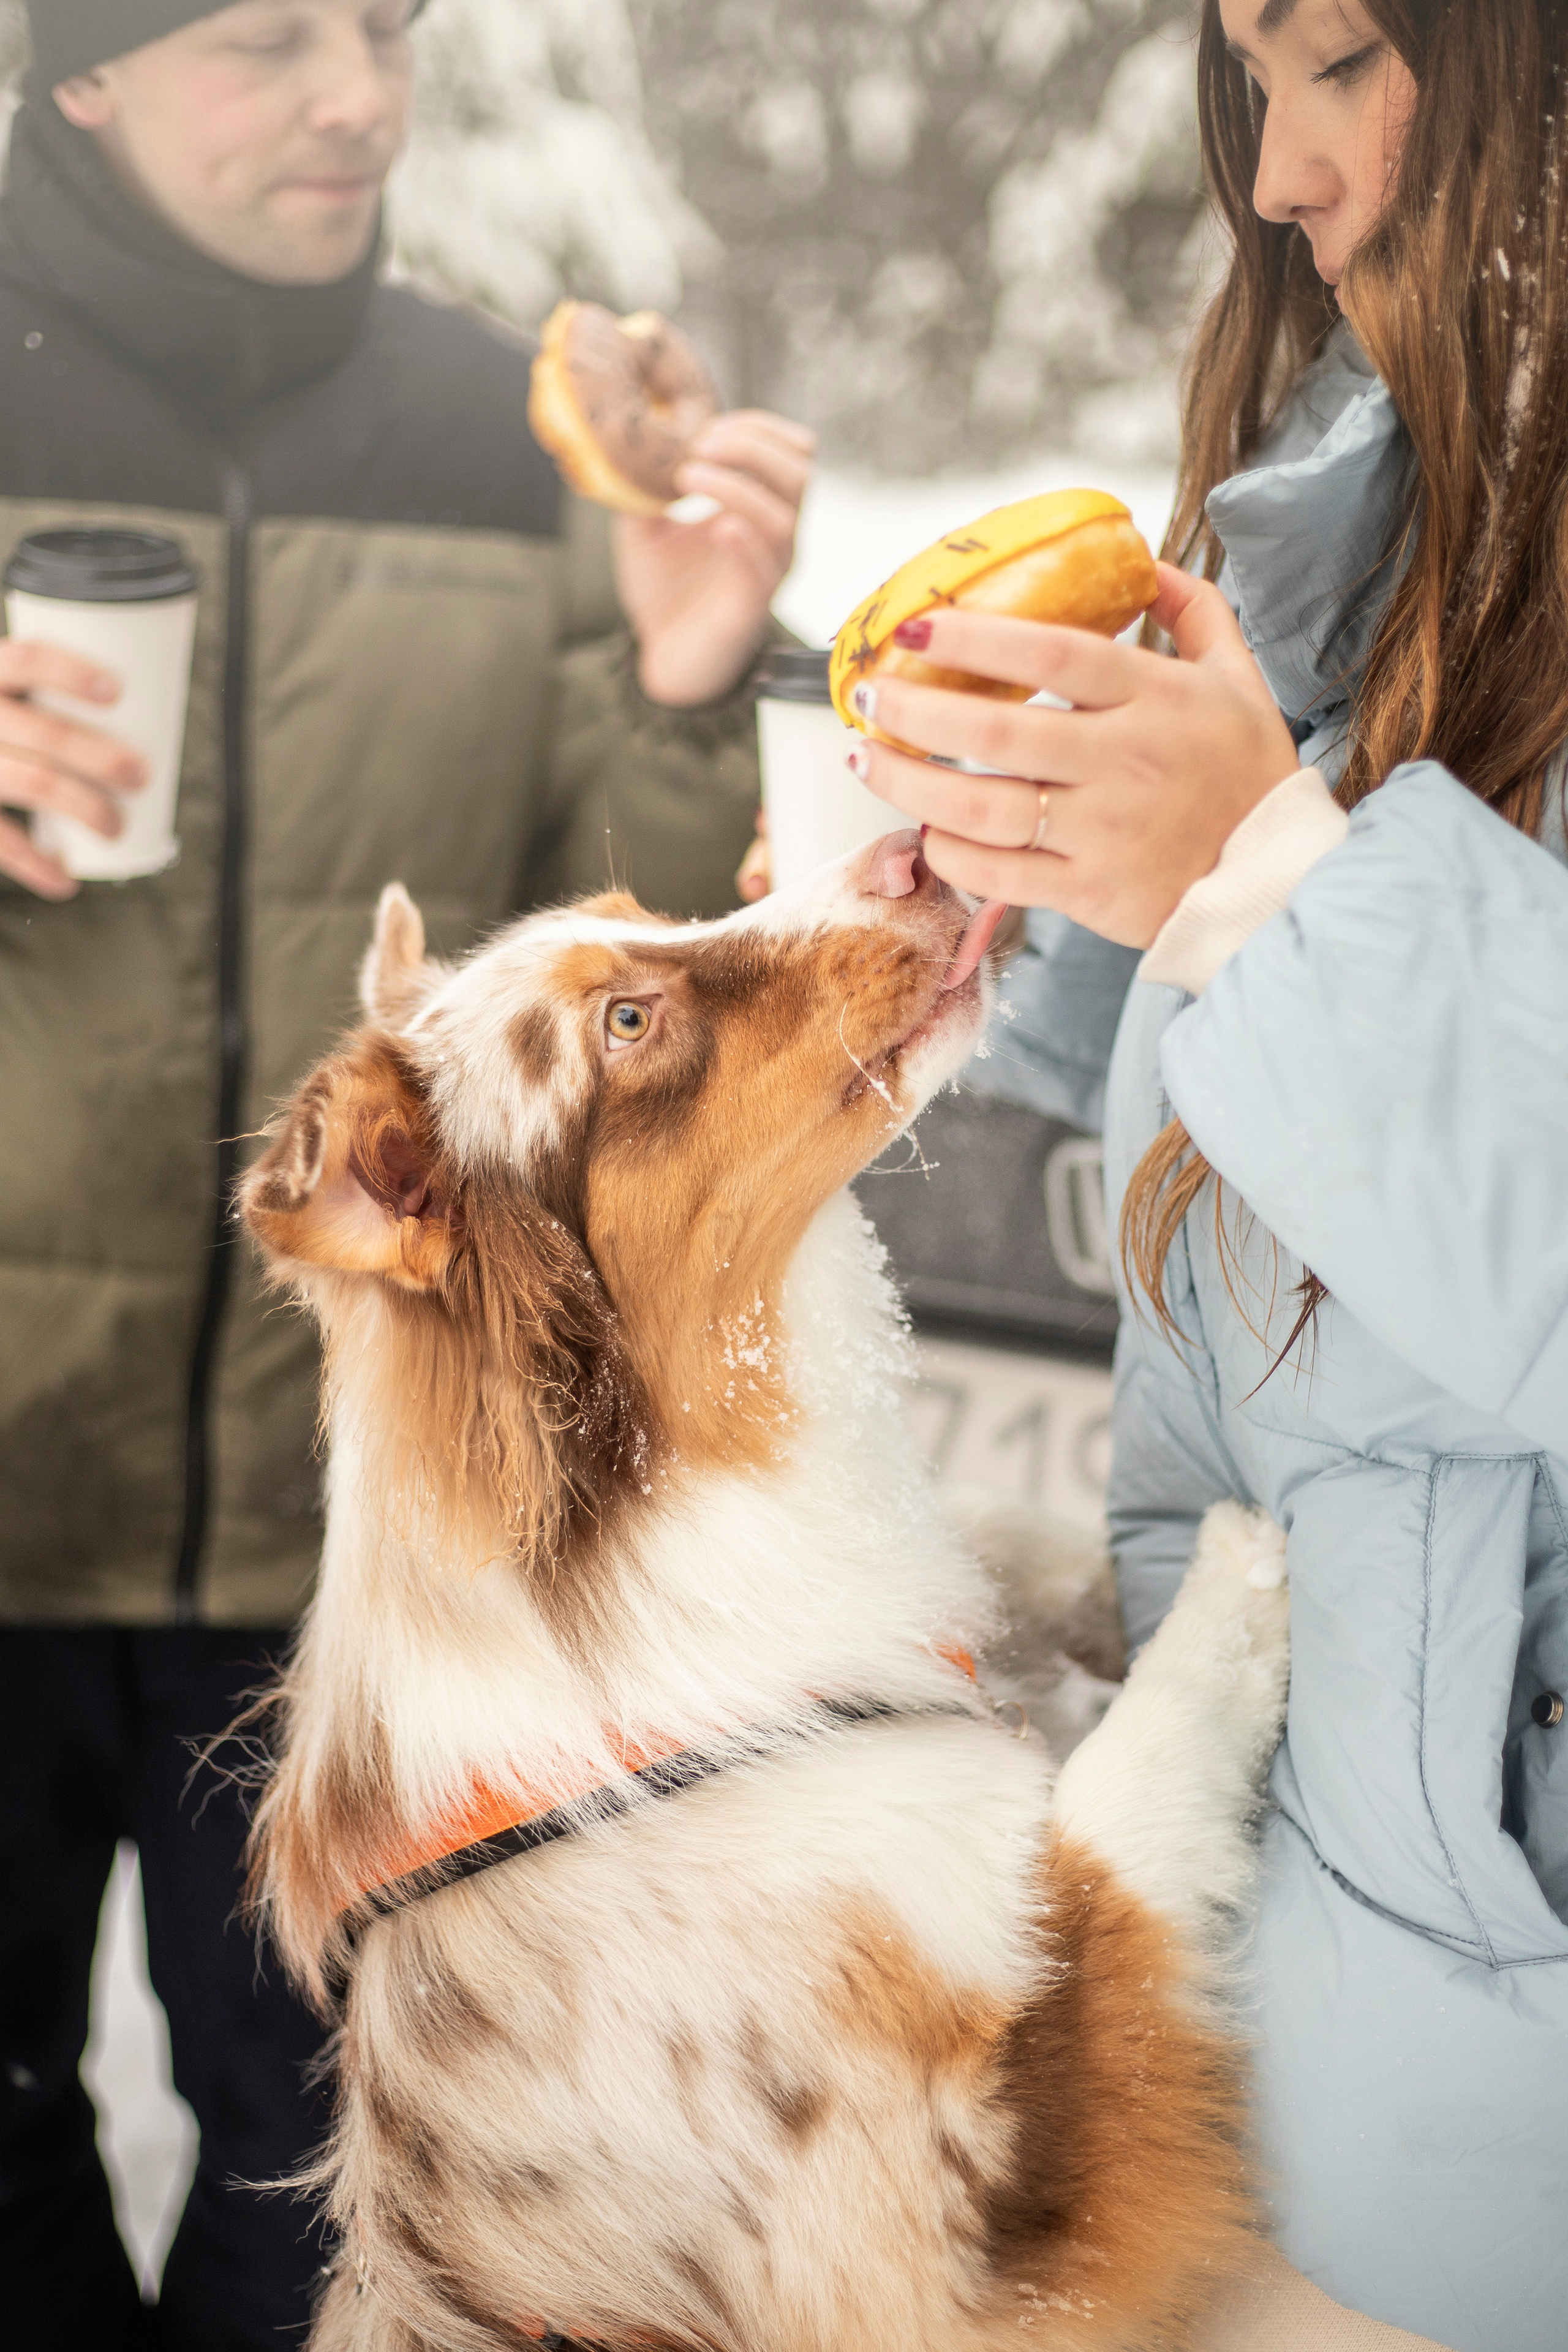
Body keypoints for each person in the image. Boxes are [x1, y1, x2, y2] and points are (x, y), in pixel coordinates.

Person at [0, 3, 812, 2344]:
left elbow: (614, 1012)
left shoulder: (500, 440)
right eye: (270, 39)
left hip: (352, 1522)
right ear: (82, 73)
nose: (360, 90)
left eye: (388, 27)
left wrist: (670, 687)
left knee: (337, 2163)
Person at [848, 3, 1566, 2348]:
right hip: (1280, 2092)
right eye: (1252, 73)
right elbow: (1188, 1121)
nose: (1275, 176)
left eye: (1346, 59)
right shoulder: (1360, 535)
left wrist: (1268, 882)